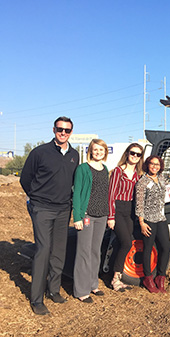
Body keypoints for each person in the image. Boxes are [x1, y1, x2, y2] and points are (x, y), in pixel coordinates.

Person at [20, 116, 79, 315]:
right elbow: (25, 178)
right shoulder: (40, 152)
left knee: (58, 252)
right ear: (53, 130)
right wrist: (36, 199)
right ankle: (36, 299)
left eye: (67, 130)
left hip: (63, 209)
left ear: (71, 132)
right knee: (43, 250)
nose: (63, 133)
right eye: (60, 129)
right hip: (42, 208)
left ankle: (53, 290)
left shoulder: (74, 155)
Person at [72, 139, 110, 303]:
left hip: (102, 215)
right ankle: (81, 290)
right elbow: (77, 193)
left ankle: (93, 284)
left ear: (105, 152)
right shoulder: (83, 169)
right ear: (91, 151)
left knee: (95, 251)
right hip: (87, 215)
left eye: (101, 150)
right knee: (83, 252)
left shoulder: (105, 169)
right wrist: (78, 217)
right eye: (95, 150)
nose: (98, 152)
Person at [108, 143, 144, 291]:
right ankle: (115, 279)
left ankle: (118, 275)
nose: (134, 156)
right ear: (127, 153)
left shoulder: (138, 174)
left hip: (130, 210)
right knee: (127, 242)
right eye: (132, 153)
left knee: (122, 243)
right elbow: (110, 195)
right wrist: (111, 216)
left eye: (138, 154)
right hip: (118, 209)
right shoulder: (118, 171)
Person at [135, 156, 170, 293]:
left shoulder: (162, 178)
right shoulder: (142, 182)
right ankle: (148, 278)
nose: (154, 166)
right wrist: (141, 222)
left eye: (157, 164)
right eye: (152, 164)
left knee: (166, 247)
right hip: (148, 219)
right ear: (147, 165)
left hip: (161, 218)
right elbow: (139, 204)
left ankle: (160, 278)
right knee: (148, 249)